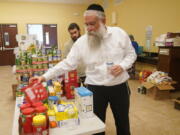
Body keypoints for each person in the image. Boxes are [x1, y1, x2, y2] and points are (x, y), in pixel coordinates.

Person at [30, 4, 136, 135]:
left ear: (104, 21)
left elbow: (131, 54)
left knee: (123, 124)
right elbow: (67, 63)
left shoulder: (119, 34)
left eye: (92, 24)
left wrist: (122, 66)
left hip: (119, 87)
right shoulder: (81, 43)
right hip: (95, 89)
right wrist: (44, 77)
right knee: (95, 126)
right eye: (86, 24)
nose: (89, 28)